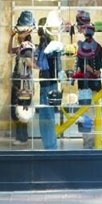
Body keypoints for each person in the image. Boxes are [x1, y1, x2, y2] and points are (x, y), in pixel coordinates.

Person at [75, 22, 102, 149]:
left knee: (86, 113)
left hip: (84, 86)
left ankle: (88, 141)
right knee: (94, 113)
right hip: (95, 85)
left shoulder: (81, 48)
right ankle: (96, 139)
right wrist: (98, 73)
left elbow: (80, 66)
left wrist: (92, 71)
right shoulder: (98, 47)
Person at [35, 15, 63, 150]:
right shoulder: (47, 43)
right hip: (49, 81)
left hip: (48, 82)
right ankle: (50, 145)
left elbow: (42, 64)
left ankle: (50, 146)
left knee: (46, 116)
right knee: (47, 115)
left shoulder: (46, 44)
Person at [9, 10, 36, 146]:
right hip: (19, 82)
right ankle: (21, 136)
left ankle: (22, 137)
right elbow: (9, 50)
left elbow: (31, 64)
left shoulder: (27, 47)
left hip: (23, 83)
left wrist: (27, 63)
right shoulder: (22, 46)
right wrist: (11, 37)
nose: (18, 35)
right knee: (18, 109)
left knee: (21, 109)